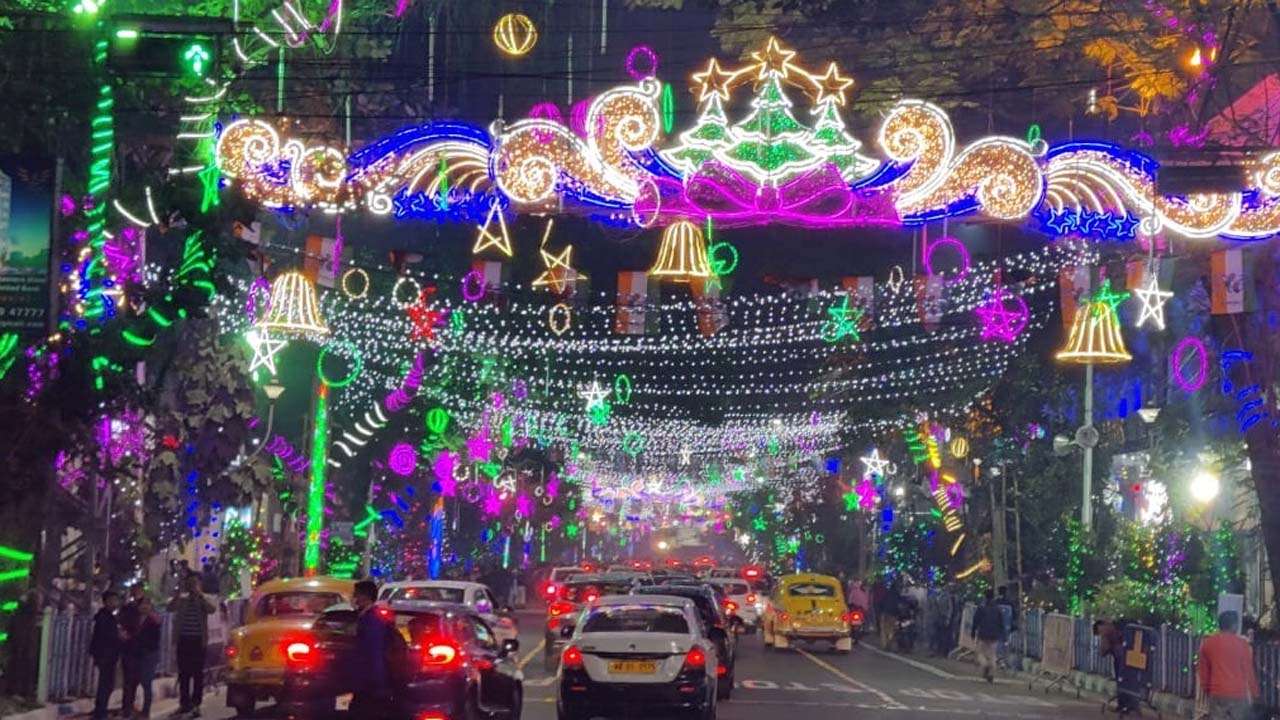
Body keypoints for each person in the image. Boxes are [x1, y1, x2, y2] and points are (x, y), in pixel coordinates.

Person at [1197, 611, 1260, 720]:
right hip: (1238, 693)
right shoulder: (1242, 644)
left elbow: (1203, 671)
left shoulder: (1208, 643)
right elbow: (1248, 671)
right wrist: (1254, 693)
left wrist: (1207, 688)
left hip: (1217, 692)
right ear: (1234, 625)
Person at [168, 573, 214, 717]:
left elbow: (212, 609)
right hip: (184, 640)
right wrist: (177, 594)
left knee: (197, 674)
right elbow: (170, 608)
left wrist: (199, 596)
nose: (192, 586)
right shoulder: (182, 600)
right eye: (189, 583)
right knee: (184, 674)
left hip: (198, 641)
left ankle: (196, 704)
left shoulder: (203, 599)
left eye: (194, 583)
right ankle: (184, 703)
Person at [350, 580, 394, 718]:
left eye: (357, 594)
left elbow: (374, 651)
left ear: (365, 596)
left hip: (369, 682)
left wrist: (377, 681)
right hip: (366, 681)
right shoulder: (364, 616)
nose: (354, 597)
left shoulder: (372, 619)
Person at [126, 597, 161, 719]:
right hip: (135, 654)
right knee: (133, 682)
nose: (145, 606)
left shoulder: (153, 620)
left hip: (149, 654)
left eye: (148, 604)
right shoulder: (134, 619)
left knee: (146, 682)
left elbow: (154, 639)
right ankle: (131, 709)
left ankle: (146, 712)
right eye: (142, 604)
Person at [89, 590, 122, 720]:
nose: (115, 603)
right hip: (105, 655)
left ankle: (101, 711)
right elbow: (105, 637)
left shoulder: (109, 617)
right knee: (105, 684)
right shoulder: (104, 617)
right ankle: (100, 712)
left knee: (107, 684)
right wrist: (118, 637)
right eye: (112, 600)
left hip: (109, 655)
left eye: (116, 600)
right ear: (106, 601)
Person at [118, 585, 147, 717]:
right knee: (129, 680)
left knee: (136, 679)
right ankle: (127, 708)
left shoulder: (146, 608)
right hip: (129, 648)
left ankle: (130, 706)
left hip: (141, 648)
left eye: (138, 591)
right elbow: (121, 622)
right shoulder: (128, 608)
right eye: (134, 591)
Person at [971, 589, 1005, 683]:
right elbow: (1001, 622)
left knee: (981, 652)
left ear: (985, 596)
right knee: (992, 654)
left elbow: (975, 621)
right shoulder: (998, 609)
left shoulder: (981, 608)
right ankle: (991, 672)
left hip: (983, 633)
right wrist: (1002, 634)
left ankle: (985, 665)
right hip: (994, 634)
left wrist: (973, 632)